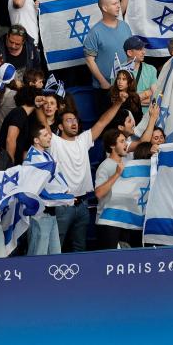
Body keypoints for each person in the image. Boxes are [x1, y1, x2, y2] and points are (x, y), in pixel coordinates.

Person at [50, 100, 118, 252]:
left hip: (82, 204)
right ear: (60, 126)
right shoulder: (54, 142)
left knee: (80, 247)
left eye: (75, 120)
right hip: (62, 205)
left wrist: (118, 102)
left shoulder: (83, 140)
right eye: (68, 120)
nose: (74, 123)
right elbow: (43, 124)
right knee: (55, 247)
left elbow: (102, 122)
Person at [83, 0, 132, 89]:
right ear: (104, 8)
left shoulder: (125, 26)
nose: (118, 6)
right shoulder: (95, 32)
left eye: (118, 3)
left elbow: (131, 52)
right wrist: (103, 82)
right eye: (114, 4)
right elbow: (89, 61)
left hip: (127, 84)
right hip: (106, 87)